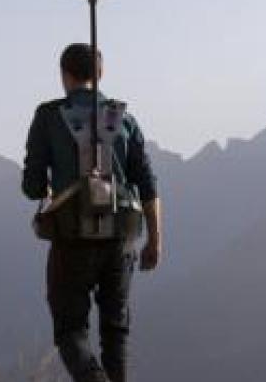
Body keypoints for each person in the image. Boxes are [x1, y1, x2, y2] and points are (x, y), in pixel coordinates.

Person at [22, 43, 163, 382]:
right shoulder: (123, 119)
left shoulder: (48, 116)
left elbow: (31, 187)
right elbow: (147, 184)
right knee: (116, 332)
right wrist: (155, 239)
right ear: (100, 74)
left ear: (64, 75)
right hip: (121, 238)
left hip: (71, 239)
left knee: (71, 332)